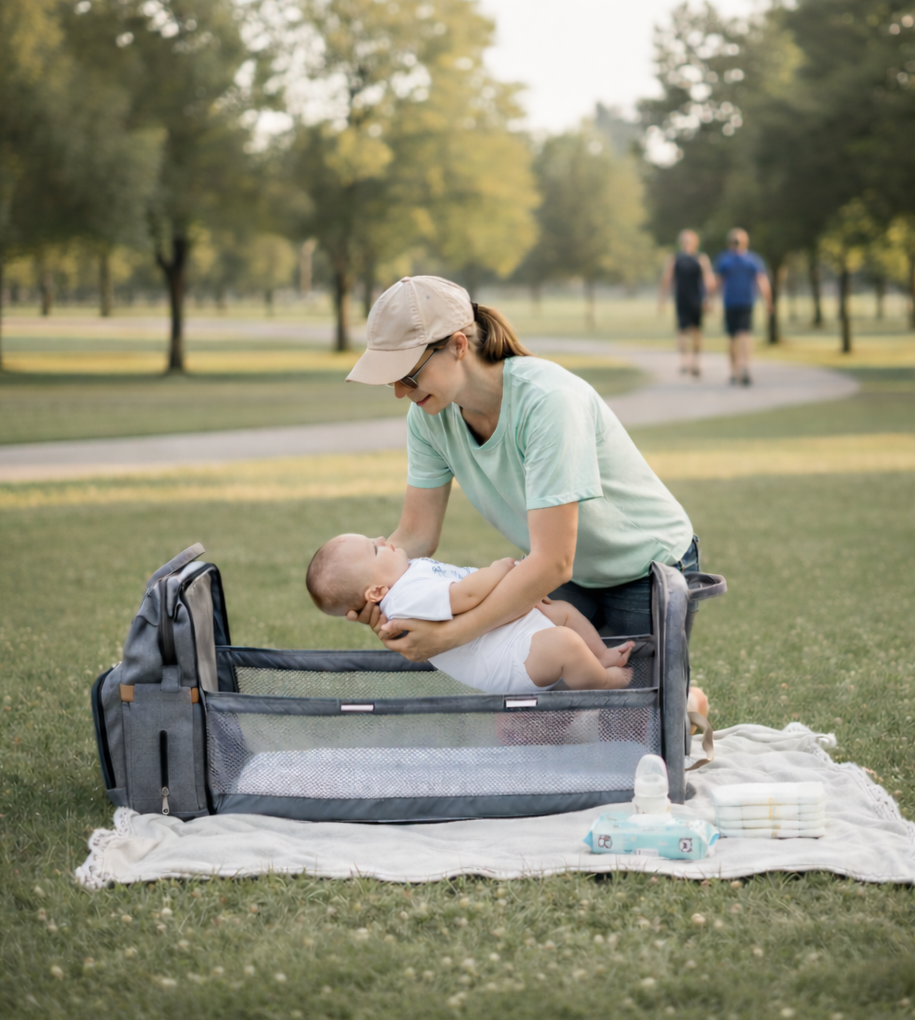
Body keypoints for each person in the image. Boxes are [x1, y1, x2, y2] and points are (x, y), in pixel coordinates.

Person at [342, 275, 699, 664]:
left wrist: (450, 635)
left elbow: (552, 560)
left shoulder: (549, 401)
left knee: (633, 716)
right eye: (391, 379)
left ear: (458, 346)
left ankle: (684, 700)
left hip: (645, 567)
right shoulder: (428, 415)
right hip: (569, 574)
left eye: (407, 374)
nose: (399, 391)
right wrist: (374, 585)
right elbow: (416, 534)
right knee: (532, 718)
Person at [306, 533, 636, 693]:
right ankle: (604, 681)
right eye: (374, 548)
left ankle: (602, 656)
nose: (382, 538)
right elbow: (465, 594)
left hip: (507, 635)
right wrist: (499, 570)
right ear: (376, 592)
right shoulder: (405, 599)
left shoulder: (409, 573)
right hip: (507, 660)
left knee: (563, 612)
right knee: (565, 643)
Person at [714, 228, 773, 386]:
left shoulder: (726, 259)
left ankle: (736, 370)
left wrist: (709, 299)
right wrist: (768, 301)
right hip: (742, 302)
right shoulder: (752, 259)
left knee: (734, 337)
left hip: (737, 303)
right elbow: (762, 282)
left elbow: (716, 283)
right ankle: (743, 367)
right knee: (744, 335)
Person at [658, 229, 715, 377]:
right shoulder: (696, 258)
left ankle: (690, 362)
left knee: (689, 332)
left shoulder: (682, 258)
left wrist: (708, 299)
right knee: (688, 332)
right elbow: (709, 280)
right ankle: (689, 362)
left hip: (691, 299)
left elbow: (707, 280)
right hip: (688, 299)